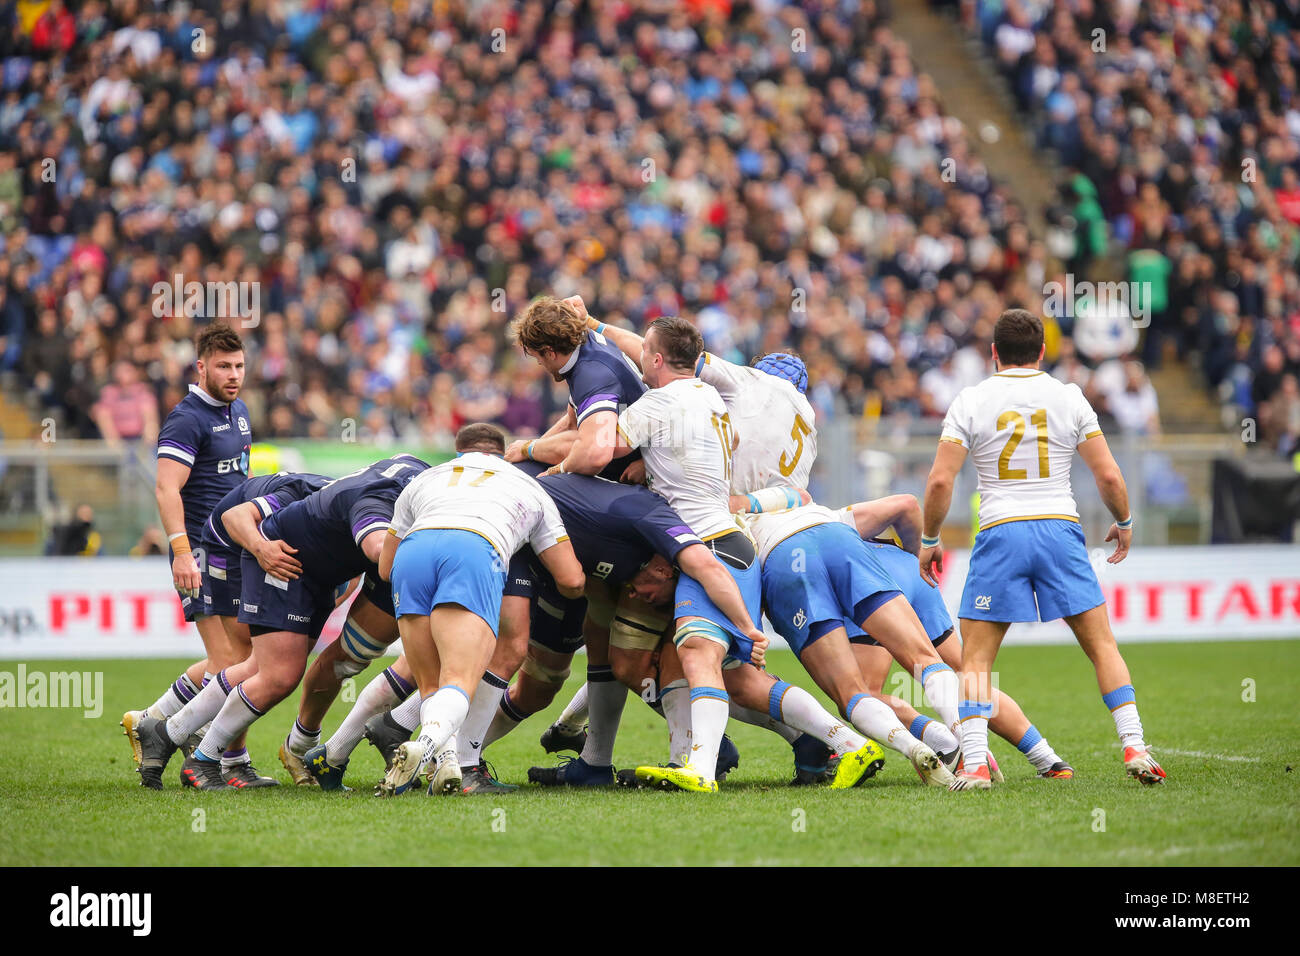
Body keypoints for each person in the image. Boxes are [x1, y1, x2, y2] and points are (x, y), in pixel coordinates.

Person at [920, 309, 1165, 789]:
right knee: (1101, 646)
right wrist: (1124, 521)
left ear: (993, 354)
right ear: (1042, 353)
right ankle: (1134, 743)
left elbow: (940, 481)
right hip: (1058, 527)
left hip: (1000, 531)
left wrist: (930, 538)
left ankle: (973, 763)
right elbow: (1109, 475)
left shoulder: (971, 399)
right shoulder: (1068, 396)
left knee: (976, 660)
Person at [131, 452, 429, 789]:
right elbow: (235, 517)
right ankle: (206, 758)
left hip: (307, 571)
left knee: (263, 667)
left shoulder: (397, 486)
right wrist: (261, 548)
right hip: (260, 552)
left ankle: (166, 731)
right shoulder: (365, 501)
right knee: (274, 673)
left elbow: (353, 572)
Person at [377, 424, 585, 796]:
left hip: (412, 554)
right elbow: (571, 579)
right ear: (502, 453)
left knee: (432, 687)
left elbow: (384, 567)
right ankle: (423, 750)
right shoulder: (527, 486)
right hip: (474, 548)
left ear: (459, 452)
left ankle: (448, 770)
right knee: (459, 679)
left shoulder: (426, 478)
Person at [122, 324, 254, 785]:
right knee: (230, 665)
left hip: (234, 552)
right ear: (201, 367)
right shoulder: (186, 418)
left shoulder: (239, 413)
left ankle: (152, 721)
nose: (234, 374)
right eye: (223, 366)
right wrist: (180, 551)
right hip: (200, 552)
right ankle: (216, 755)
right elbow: (166, 488)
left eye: (238, 365)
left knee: (244, 657)